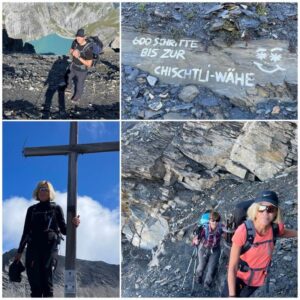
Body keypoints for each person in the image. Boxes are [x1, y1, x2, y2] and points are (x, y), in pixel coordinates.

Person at [222, 190, 297, 297]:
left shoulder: (275, 228)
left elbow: (284, 233)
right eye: (261, 208)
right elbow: (232, 267)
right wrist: (232, 296)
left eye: (270, 209)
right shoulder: (243, 231)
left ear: (276, 212)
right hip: (238, 277)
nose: (265, 213)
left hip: (256, 280)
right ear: (255, 210)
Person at [14, 181, 80, 297]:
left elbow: (65, 230)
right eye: (41, 189)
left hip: (50, 251)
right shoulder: (32, 210)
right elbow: (25, 232)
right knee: (35, 287)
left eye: (46, 189)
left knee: (47, 285)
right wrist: (19, 252)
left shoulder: (56, 208)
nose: (43, 192)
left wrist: (74, 224)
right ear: (37, 192)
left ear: (50, 192)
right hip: (33, 250)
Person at [193, 211, 224, 288]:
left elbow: (227, 233)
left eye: (217, 221)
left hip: (215, 250)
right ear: (210, 220)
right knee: (201, 266)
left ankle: (207, 283)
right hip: (203, 249)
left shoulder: (221, 227)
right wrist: (195, 241)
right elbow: (196, 239)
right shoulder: (204, 228)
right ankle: (198, 277)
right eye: (213, 220)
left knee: (211, 268)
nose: (215, 223)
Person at [65, 28, 93, 102]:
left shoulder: (88, 49)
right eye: (77, 36)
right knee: (68, 77)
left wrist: (78, 57)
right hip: (73, 66)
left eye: (80, 36)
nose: (78, 38)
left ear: (85, 37)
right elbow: (71, 50)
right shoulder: (75, 42)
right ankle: (69, 87)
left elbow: (89, 64)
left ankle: (77, 97)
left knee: (79, 84)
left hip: (82, 70)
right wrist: (73, 52)